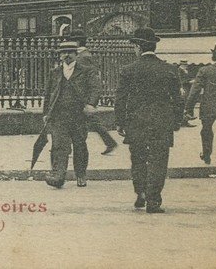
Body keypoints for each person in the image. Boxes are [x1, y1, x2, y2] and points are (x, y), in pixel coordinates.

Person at [114, 28, 184, 213]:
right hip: (162, 122)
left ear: (138, 47)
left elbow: (120, 98)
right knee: (159, 160)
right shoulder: (169, 69)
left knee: (138, 159)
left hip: (136, 122)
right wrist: (176, 121)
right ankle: (154, 200)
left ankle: (141, 193)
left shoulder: (128, 70)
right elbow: (178, 99)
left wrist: (120, 122)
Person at [43, 41, 101, 188]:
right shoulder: (55, 72)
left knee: (80, 145)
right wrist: (46, 113)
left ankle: (81, 174)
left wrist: (91, 104)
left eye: (70, 52)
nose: (67, 55)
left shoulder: (86, 70)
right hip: (59, 115)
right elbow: (48, 94)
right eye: (64, 52)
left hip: (78, 115)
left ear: (76, 54)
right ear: (60, 55)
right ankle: (58, 175)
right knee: (59, 146)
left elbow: (95, 88)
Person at [69, 30, 119, 155]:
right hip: (81, 97)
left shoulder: (83, 57)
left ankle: (109, 142)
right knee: (88, 121)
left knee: (84, 121)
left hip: (82, 97)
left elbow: (89, 78)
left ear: (78, 42)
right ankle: (109, 142)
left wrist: (90, 100)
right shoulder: (83, 55)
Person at [185, 43, 216, 182]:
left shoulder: (204, 70)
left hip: (208, 107)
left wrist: (188, 108)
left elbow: (194, 91)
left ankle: (206, 154)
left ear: (213, 55)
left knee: (206, 131)